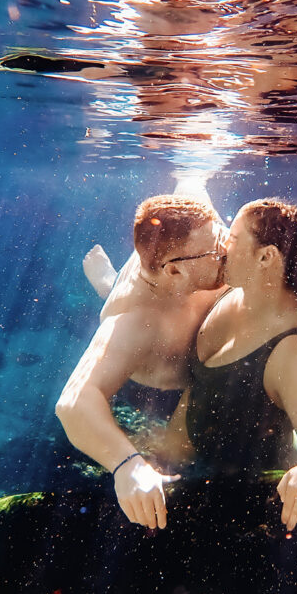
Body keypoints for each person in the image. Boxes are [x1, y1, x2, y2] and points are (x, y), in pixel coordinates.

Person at [157, 198, 297, 532]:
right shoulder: (227, 291)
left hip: (246, 516)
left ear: (266, 257)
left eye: (232, 238)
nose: (222, 246)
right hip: (184, 480)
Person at [55, 180, 228, 531]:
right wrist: (127, 466)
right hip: (166, 367)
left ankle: (109, 284)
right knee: (178, 455)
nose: (228, 249)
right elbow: (73, 403)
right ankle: (109, 287)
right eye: (217, 250)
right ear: (175, 270)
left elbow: (190, 180)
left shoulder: (195, 226)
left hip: (170, 294)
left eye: (223, 236)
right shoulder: (134, 323)